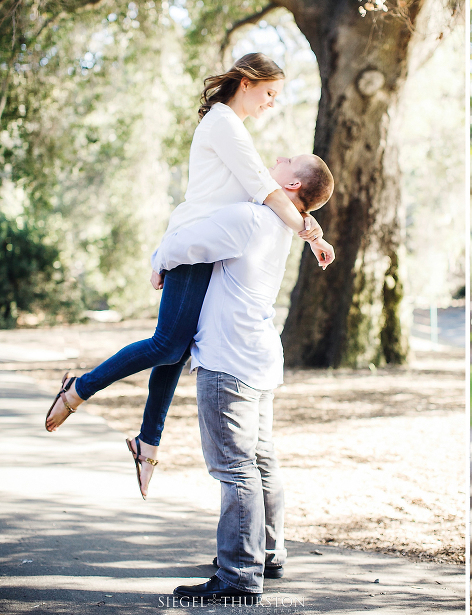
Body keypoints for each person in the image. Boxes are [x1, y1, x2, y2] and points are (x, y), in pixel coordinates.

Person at [43, 53, 334, 499]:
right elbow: (267, 189)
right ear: (248, 82)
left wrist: (306, 226)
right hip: (193, 243)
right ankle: (78, 390)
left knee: (177, 350)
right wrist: (312, 235)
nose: (272, 103)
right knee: (167, 344)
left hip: (207, 247)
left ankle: (148, 442)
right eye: (270, 92)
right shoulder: (223, 123)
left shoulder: (234, 128)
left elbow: (269, 194)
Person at [153, 153, 332, 601]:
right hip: (259, 357)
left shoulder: (251, 217)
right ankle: (267, 553)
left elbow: (187, 244)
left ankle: (237, 577)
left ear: (292, 185)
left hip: (228, 359)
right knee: (261, 460)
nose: (276, 159)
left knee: (234, 468)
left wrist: (158, 258)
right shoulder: (282, 226)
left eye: (287, 161)